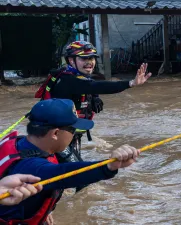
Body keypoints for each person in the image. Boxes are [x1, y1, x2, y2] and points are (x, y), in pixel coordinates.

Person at [0, 99, 140, 224]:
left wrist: (47, 211)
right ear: (55, 133)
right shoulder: (33, 167)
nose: (74, 134)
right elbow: (65, 174)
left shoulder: (20, 142)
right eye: (72, 129)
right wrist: (109, 166)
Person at [35, 41, 150, 168]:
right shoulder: (67, 81)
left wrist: (94, 96)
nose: (89, 62)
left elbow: (89, 86)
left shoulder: (74, 75)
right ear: (71, 61)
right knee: (78, 174)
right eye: (84, 58)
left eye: (92, 58)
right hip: (53, 138)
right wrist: (131, 83)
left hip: (67, 134)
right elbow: (94, 86)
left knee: (71, 173)